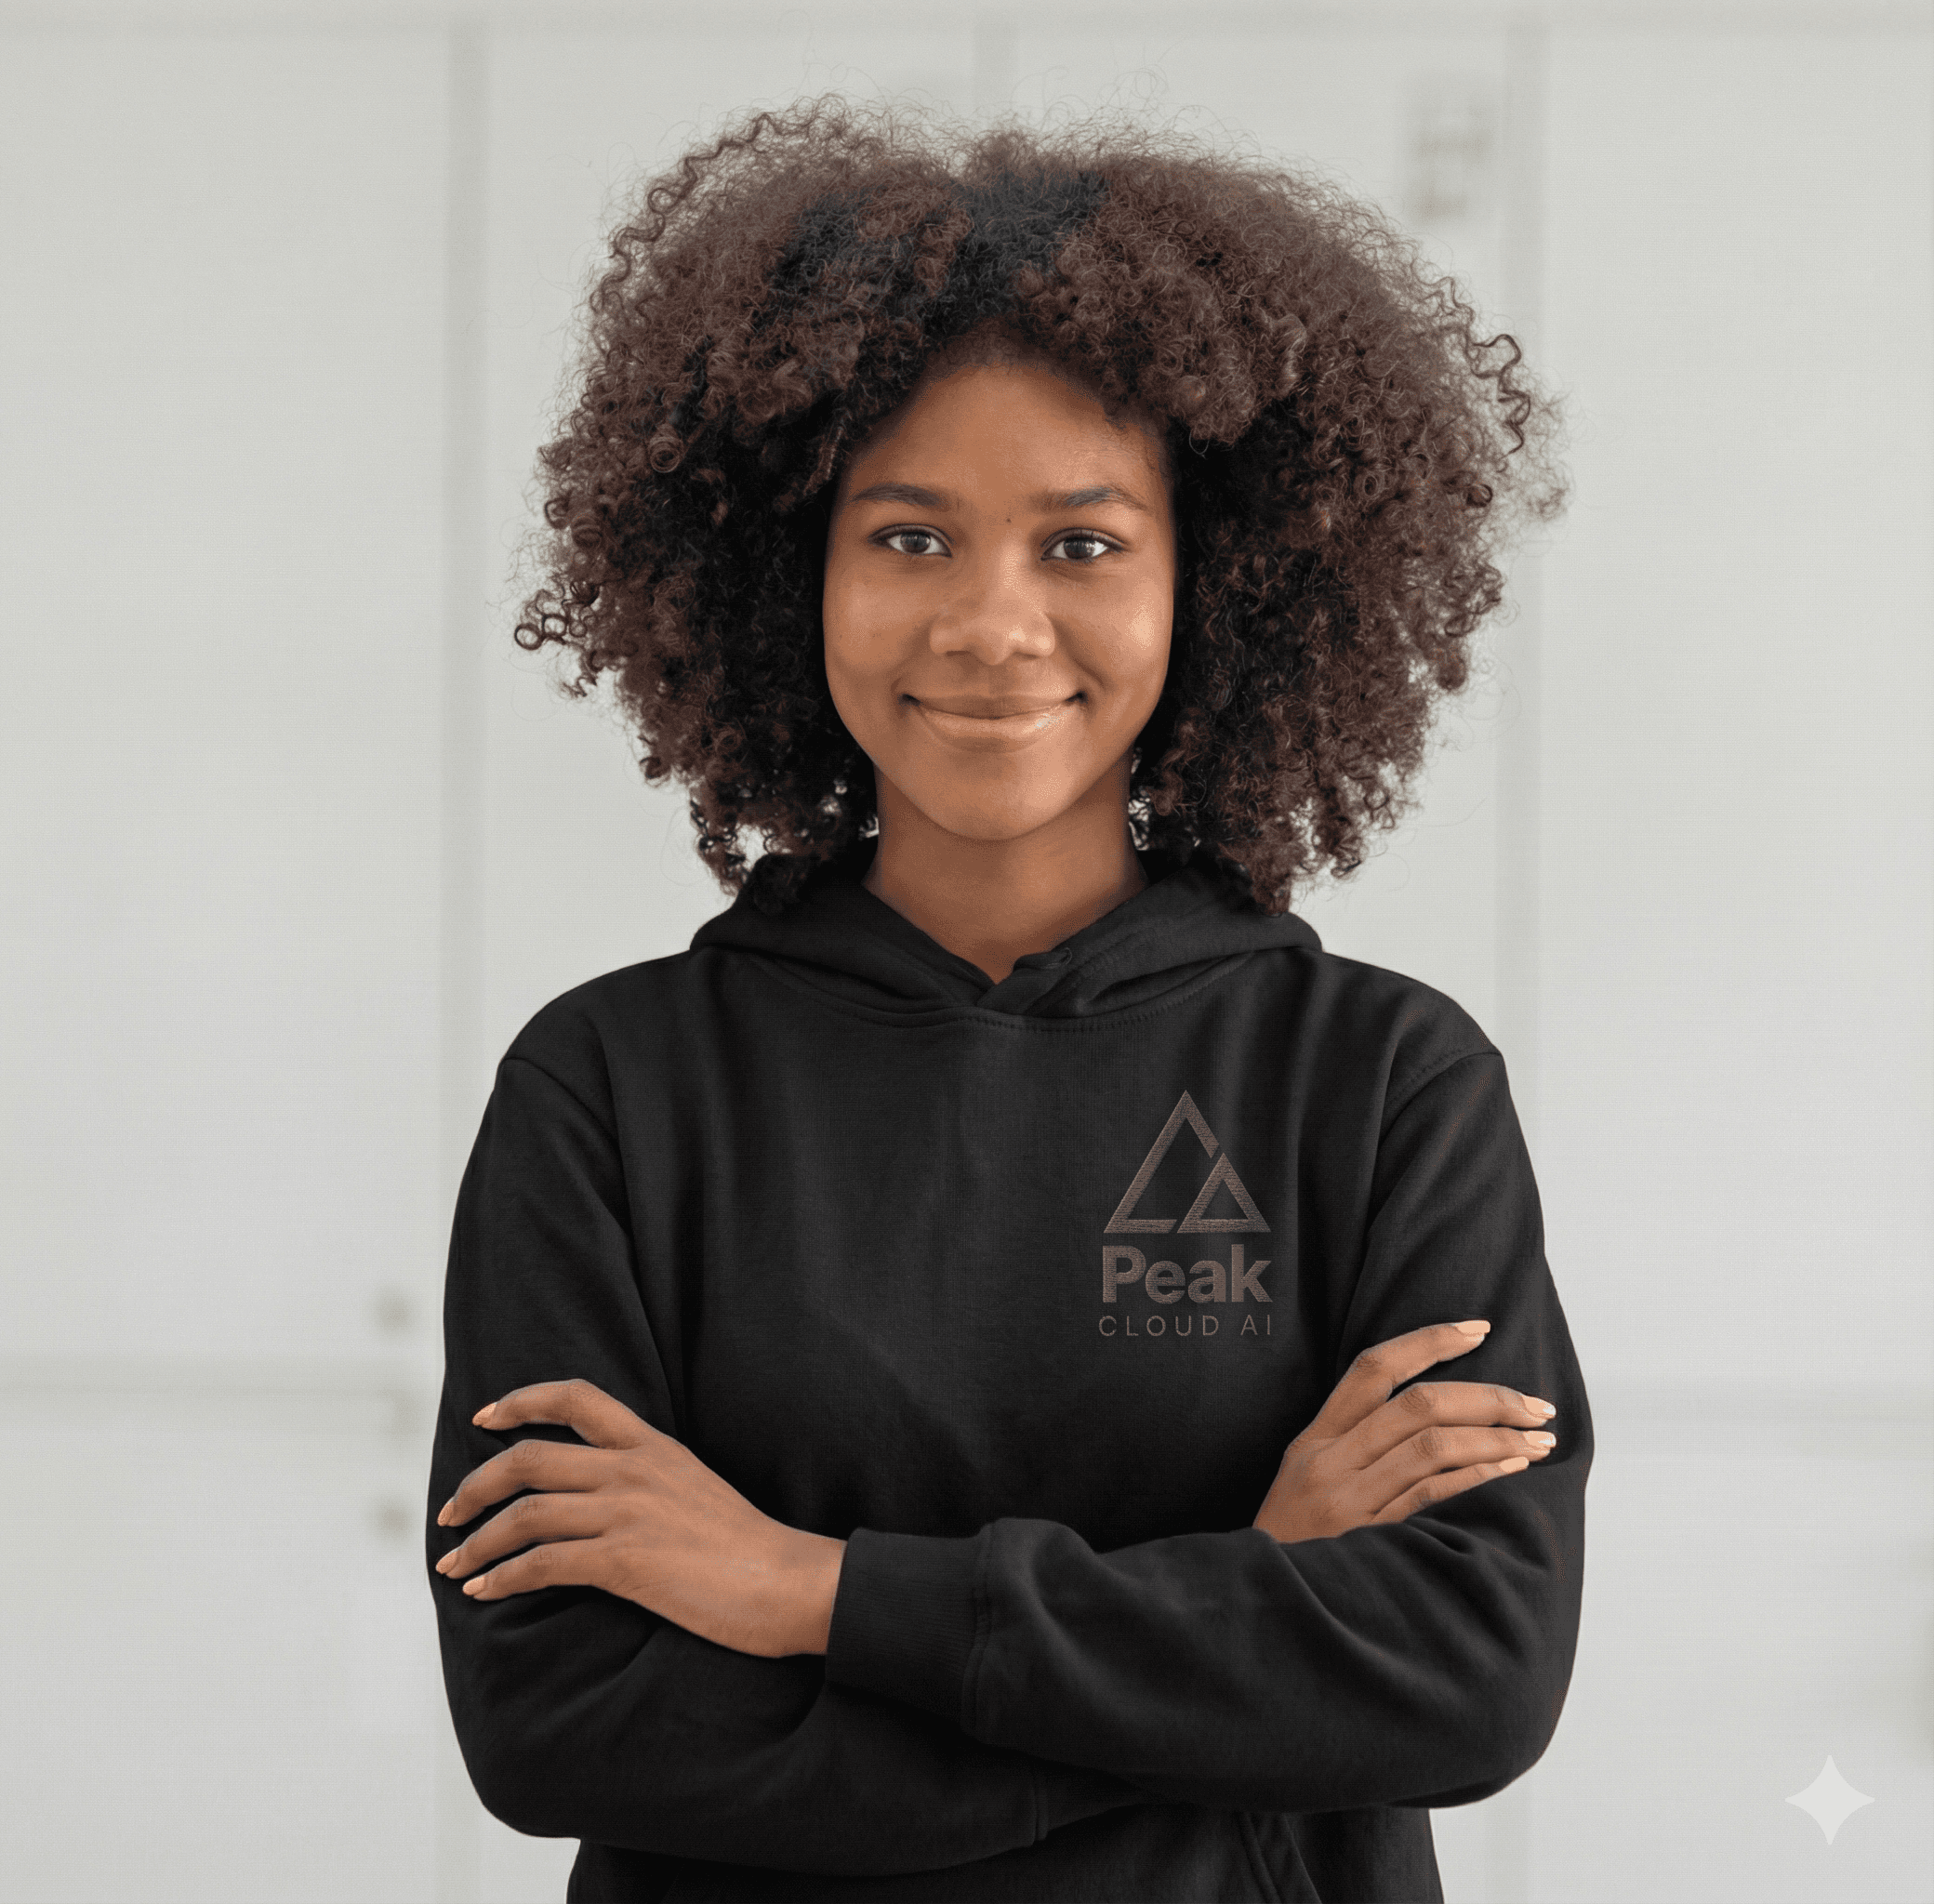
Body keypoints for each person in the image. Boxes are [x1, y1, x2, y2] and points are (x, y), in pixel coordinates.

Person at [427, 99, 1587, 1904]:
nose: (987, 623)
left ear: (1211, 577)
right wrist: (1234, 1605)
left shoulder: (1376, 1081)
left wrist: (803, 1590)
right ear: (782, 569)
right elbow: (564, 1718)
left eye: (1079, 542)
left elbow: (1458, 1675)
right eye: (905, 538)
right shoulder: (613, 1086)